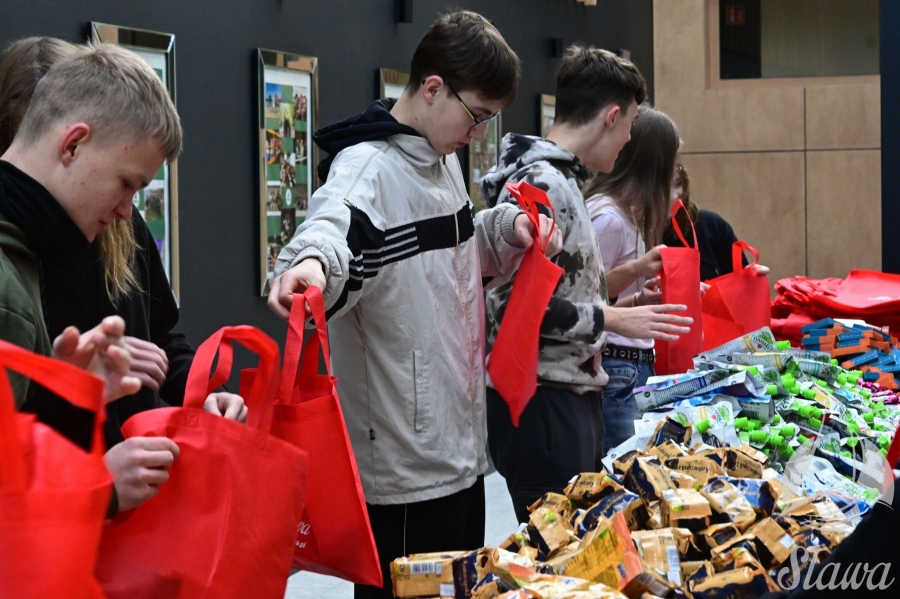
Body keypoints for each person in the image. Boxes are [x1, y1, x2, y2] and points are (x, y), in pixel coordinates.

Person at [267, 12, 558, 598]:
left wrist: (504, 229)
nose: (479, 133)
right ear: (432, 87)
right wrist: (309, 266)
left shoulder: (439, 159)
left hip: (457, 455)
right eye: (476, 116)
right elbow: (332, 229)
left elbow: (449, 256)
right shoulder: (367, 168)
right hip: (401, 475)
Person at [0, 39, 244, 513]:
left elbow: (26, 440)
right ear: (69, 142)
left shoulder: (50, 239)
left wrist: (69, 393)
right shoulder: (15, 277)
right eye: (126, 183)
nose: (126, 209)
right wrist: (98, 487)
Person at [480, 45, 693, 523]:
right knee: (560, 561)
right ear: (612, 116)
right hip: (547, 405)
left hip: (559, 400)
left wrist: (623, 300)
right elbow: (514, 307)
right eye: (632, 124)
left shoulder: (558, 180)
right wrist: (614, 317)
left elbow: (559, 290)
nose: (628, 140)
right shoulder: (548, 182)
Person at [582, 105, 680, 453]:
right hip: (619, 365)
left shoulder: (623, 214)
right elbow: (587, 296)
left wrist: (643, 299)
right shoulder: (608, 217)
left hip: (630, 365)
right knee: (624, 475)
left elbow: (605, 302)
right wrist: (638, 270)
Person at [663, 162, 769, 281]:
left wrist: (749, 278)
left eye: (677, 184)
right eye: (663, 189)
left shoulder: (711, 225)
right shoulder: (639, 237)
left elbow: (738, 278)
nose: (674, 196)